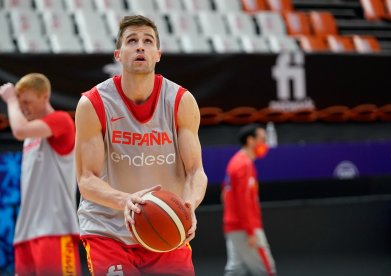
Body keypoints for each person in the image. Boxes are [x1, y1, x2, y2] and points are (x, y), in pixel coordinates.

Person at [75, 15, 208, 275]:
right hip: (108, 230)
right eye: (131, 41)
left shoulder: (181, 101)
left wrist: (189, 205)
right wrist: (126, 201)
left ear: (158, 54)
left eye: (148, 41)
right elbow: (86, 180)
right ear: (118, 54)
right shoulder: (93, 103)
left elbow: (196, 172)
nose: (140, 46)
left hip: (166, 226)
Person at [0, 73, 81, 275]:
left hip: (56, 230)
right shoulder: (31, 137)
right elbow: (24, 131)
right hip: (26, 233)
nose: (23, 107)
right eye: (20, 102)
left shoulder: (61, 121)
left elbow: (19, 130)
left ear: (45, 96)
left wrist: (10, 100)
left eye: (27, 102)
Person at [222, 124, 277, 276]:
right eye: (262, 139)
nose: (265, 144)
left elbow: (225, 195)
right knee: (267, 270)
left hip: (234, 225)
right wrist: (251, 230)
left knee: (235, 270)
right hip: (244, 228)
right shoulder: (243, 165)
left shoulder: (236, 161)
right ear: (251, 140)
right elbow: (243, 201)